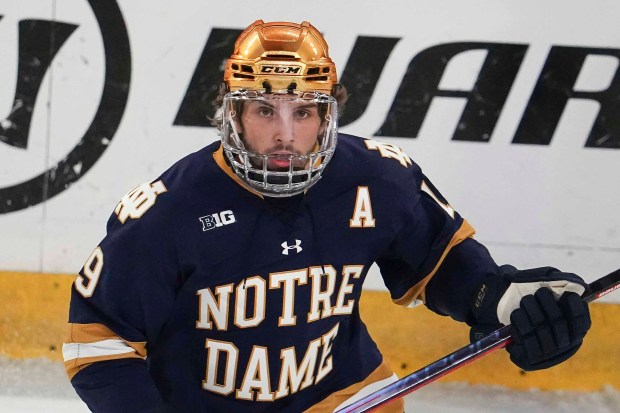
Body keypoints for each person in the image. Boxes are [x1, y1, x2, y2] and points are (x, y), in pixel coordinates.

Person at [63, 20, 592, 413]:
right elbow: (98, 339)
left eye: (305, 111)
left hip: (346, 398)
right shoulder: (169, 211)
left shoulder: (377, 177)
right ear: (233, 113)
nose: (286, 136)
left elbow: (441, 260)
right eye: (264, 110)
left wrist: (498, 298)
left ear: (328, 112)